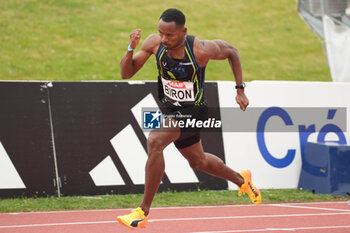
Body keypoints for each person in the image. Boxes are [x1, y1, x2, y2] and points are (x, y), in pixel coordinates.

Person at [117, 8, 261, 229]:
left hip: (194, 110)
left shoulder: (200, 50)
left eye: (170, 35)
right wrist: (130, 49)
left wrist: (240, 89)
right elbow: (126, 73)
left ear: (183, 31)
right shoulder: (154, 43)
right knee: (198, 161)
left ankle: (142, 211)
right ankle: (243, 180)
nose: (164, 39)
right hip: (170, 110)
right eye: (161, 33)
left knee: (156, 141)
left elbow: (232, 51)